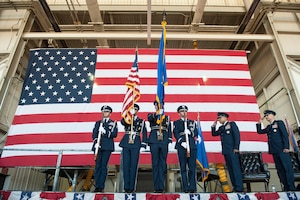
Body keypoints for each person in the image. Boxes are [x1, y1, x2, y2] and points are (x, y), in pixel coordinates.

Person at [256, 109, 296, 191]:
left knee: (287, 168)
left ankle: (291, 187)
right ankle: (286, 187)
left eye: (267, 115)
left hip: (282, 149)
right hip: (274, 151)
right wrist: (259, 123)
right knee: (280, 170)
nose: (266, 117)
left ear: (272, 115)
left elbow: (284, 135)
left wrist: (286, 147)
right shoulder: (269, 127)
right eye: (265, 116)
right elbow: (260, 131)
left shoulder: (279, 123)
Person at [211, 112, 244, 192]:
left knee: (235, 169)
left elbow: (237, 135)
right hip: (226, 151)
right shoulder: (222, 128)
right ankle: (235, 187)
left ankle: (239, 187)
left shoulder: (231, 124)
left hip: (232, 150)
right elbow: (214, 134)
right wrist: (213, 126)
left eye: (220, 118)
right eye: (218, 118)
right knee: (231, 170)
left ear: (225, 117)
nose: (218, 120)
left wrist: (236, 147)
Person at [119, 104, 147, 193]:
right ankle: (126, 187)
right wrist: (128, 114)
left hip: (136, 143)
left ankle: (132, 187)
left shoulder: (141, 121)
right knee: (126, 166)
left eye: (135, 109)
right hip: (126, 142)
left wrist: (143, 144)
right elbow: (122, 122)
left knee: (133, 166)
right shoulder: (127, 119)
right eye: (132, 109)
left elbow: (144, 133)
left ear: (137, 111)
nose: (133, 111)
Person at [92, 105, 118, 192]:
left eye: (106, 112)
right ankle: (97, 185)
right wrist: (96, 142)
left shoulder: (113, 123)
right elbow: (94, 134)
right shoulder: (98, 123)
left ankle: (101, 186)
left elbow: (114, 134)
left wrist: (105, 132)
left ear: (110, 113)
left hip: (107, 146)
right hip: (98, 146)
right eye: (103, 111)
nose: (105, 113)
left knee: (104, 166)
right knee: (97, 166)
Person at [147, 101, 172, 193]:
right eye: (156, 105)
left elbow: (169, 130)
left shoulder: (167, 118)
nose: (158, 107)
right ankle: (156, 187)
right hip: (154, 140)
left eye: (160, 105)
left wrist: (169, 140)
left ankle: (161, 187)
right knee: (155, 164)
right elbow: (150, 119)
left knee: (162, 164)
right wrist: (158, 114)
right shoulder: (151, 115)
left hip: (163, 140)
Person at [173, 105, 198, 193]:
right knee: (183, 167)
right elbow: (175, 133)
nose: (184, 113)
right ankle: (185, 187)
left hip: (191, 146)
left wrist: (190, 132)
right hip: (182, 146)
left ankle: (192, 187)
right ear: (179, 113)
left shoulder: (192, 122)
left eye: (185, 111)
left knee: (192, 168)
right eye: (182, 111)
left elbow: (196, 132)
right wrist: (181, 141)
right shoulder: (176, 123)